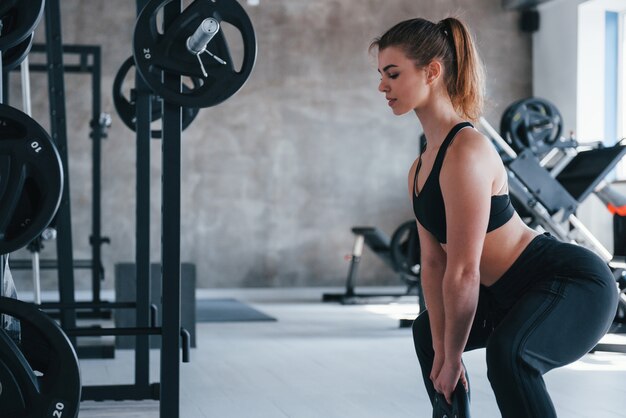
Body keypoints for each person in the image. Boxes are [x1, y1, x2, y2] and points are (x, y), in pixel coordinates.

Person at [371, 17, 618, 417]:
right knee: (427, 334)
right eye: (381, 75)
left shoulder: (467, 150)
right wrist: (442, 351)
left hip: (570, 283)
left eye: (393, 74)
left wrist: (452, 356)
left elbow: (465, 269)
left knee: (510, 356)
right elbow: (433, 263)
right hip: (506, 293)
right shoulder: (419, 169)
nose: (382, 86)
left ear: (432, 72)